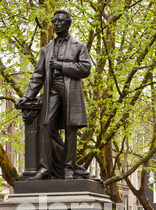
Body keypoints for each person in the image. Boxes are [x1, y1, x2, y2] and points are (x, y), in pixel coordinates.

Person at [15, 9, 91, 180]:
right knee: (45, 125)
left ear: (68, 23)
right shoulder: (46, 49)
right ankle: (44, 168)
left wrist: (62, 66)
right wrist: (27, 96)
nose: (56, 24)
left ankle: (69, 168)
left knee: (71, 129)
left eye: (60, 21)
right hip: (52, 90)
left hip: (71, 91)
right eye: (54, 21)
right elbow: (38, 75)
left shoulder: (79, 46)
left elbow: (85, 68)